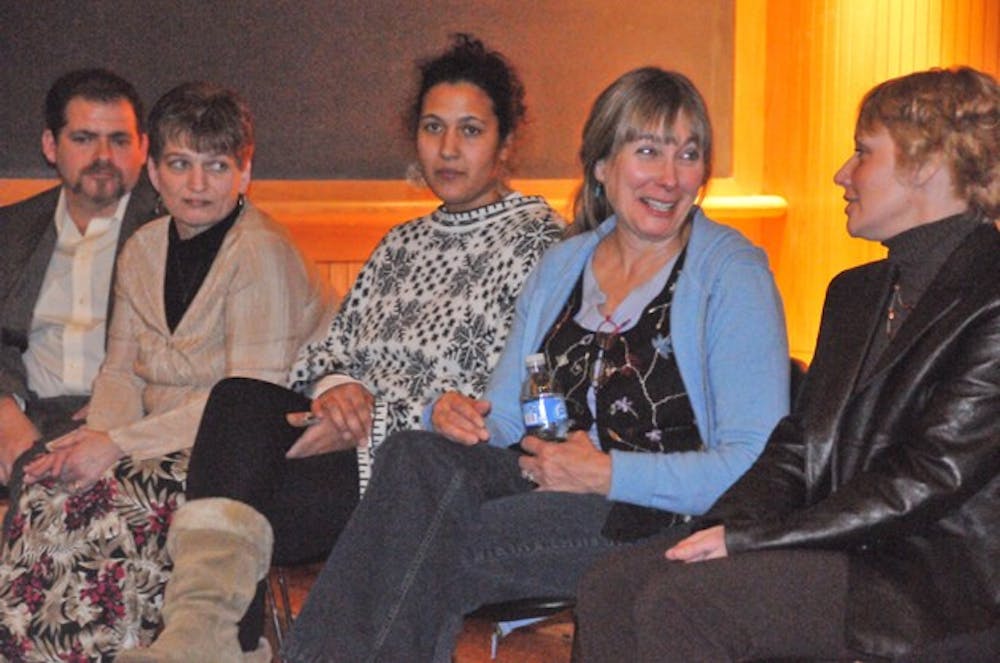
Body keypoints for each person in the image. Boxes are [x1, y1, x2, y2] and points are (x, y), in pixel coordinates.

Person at [281, 67, 790, 663]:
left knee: (424, 541)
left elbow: (756, 466)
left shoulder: (731, 273)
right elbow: (504, 419)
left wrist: (606, 474)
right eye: (649, 151)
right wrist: (447, 413)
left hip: (653, 514)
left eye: (689, 154)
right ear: (602, 164)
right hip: (545, 480)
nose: (670, 177)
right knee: (414, 456)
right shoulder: (564, 265)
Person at [119, 34, 565, 663]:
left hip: (418, 470)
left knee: (228, 498)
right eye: (433, 127)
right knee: (237, 401)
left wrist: (365, 421)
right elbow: (325, 352)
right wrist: (337, 392)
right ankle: (205, 643)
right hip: (341, 442)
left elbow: (490, 399)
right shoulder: (402, 241)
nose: (447, 148)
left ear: (505, 141)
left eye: (470, 130)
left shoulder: (539, 242)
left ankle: (209, 644)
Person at [574, 66, 1000, 663]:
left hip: (935, 578)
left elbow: (927, 478)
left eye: (862, 152)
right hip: (842, 546)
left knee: (686, 602)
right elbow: (798, 445)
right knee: (613, 584)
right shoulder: (857, 292)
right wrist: (721, 526)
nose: (842, 174)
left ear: (926, 165)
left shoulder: (991, 297)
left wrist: (755, 539)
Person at [0, 81, 328, 662]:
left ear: (245, 173)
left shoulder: (261, 252)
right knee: (49, 488)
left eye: (217, 166)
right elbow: (120, 374)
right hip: (156, 441)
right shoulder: (144, 248)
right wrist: (94, 440)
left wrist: (116, 446)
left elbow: (247, 405)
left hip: (244, 456)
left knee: (119, 498)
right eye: (180, 164)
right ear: (153, 171)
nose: (197, 184)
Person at [0, 68, 158, 492]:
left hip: (125, 426)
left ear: (143, 148)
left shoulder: (171, 231)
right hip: (25, 414)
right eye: (84, 139)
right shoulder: (11, 230)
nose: (103, 156)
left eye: (119, 140)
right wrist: (5, 410)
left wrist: (120, 413)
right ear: (51, 146)